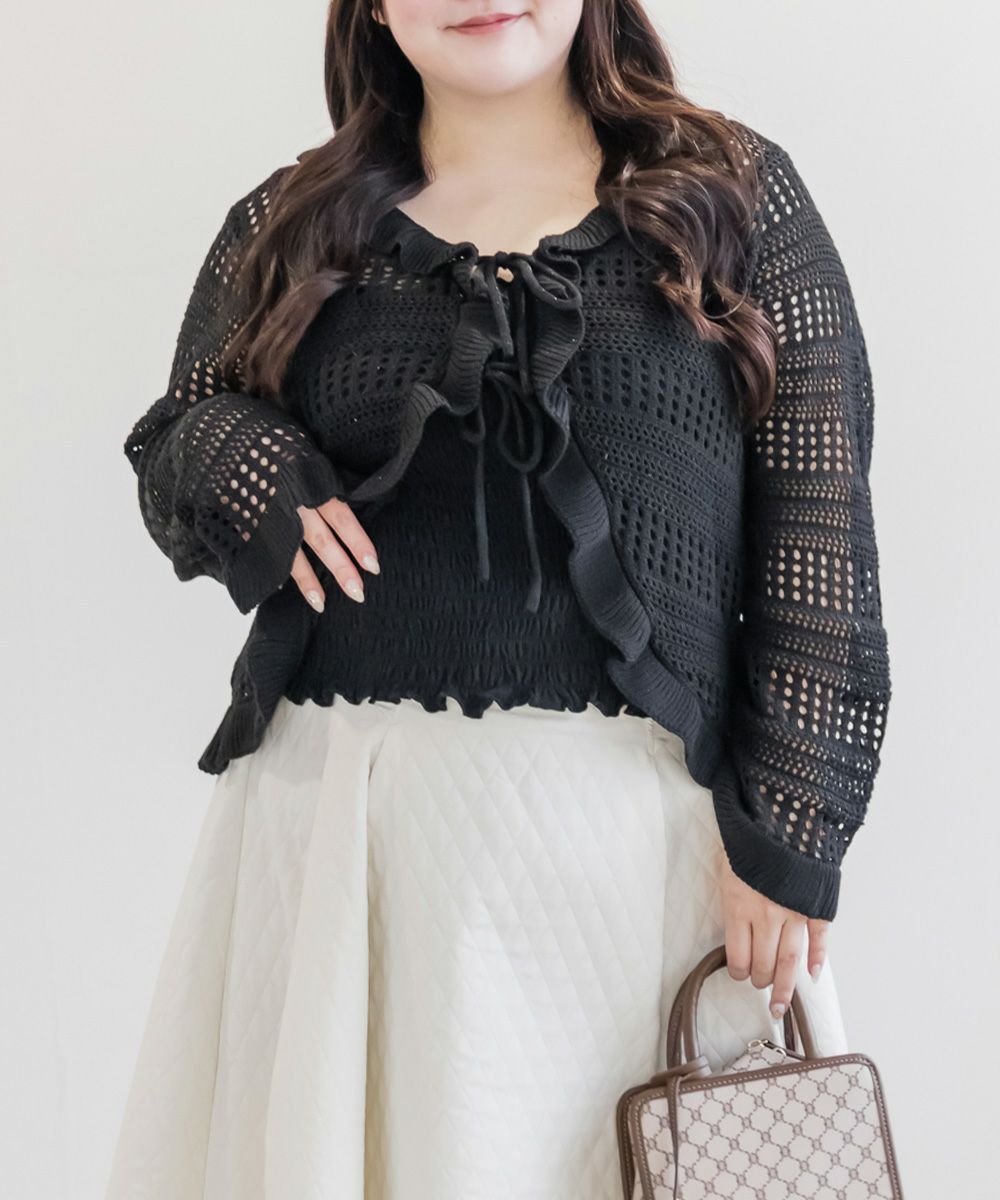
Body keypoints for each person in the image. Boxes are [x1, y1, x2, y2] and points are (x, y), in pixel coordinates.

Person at [106, 1, 891, 1196]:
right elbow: (181, 423)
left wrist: (793, 825)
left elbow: (819, 525)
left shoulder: (734, 195)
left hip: (647, 863)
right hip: (349, 854)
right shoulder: (290, 221)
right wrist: (242, 460)